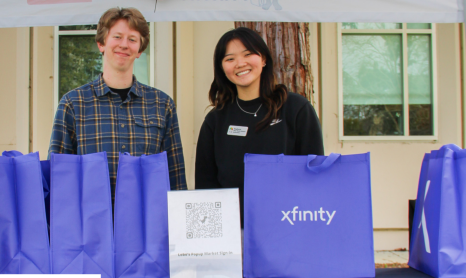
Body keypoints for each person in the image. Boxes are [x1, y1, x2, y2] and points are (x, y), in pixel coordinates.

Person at [49, 7, 187, 203]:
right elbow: (59, 177)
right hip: (91, 226)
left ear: (140, 50)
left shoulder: (162, 104)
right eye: (117, 37)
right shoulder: (73, 103)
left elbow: (175, 176)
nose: (124, 45)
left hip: (147, 224)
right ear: (101, 43)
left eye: (132, 39)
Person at [195, 27, 324, 223]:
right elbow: (205, 186)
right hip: (233, 232)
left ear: (263, 59)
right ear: (222, 67)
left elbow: (315, 173)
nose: (240, 63)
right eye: (230, 59)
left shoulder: (296, 109)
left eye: (248, 54)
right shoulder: (215, 120)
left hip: (287, 224)